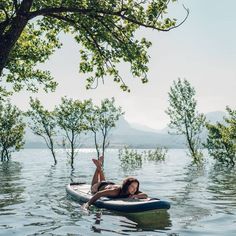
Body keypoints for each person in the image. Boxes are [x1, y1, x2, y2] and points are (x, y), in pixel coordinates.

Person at [83, 156, 148, 209]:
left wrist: (135, 195)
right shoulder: (116, 191)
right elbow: (98, 194)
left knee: (103, 181)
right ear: (127, 185)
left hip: (109, 184)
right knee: (92, 187)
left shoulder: (133, 192)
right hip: (99, 186)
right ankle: (98, 167)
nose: (134, 189)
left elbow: (145, 195)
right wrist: (87, 205)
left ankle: (99, 165)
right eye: (132, 187)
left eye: (136, 187)